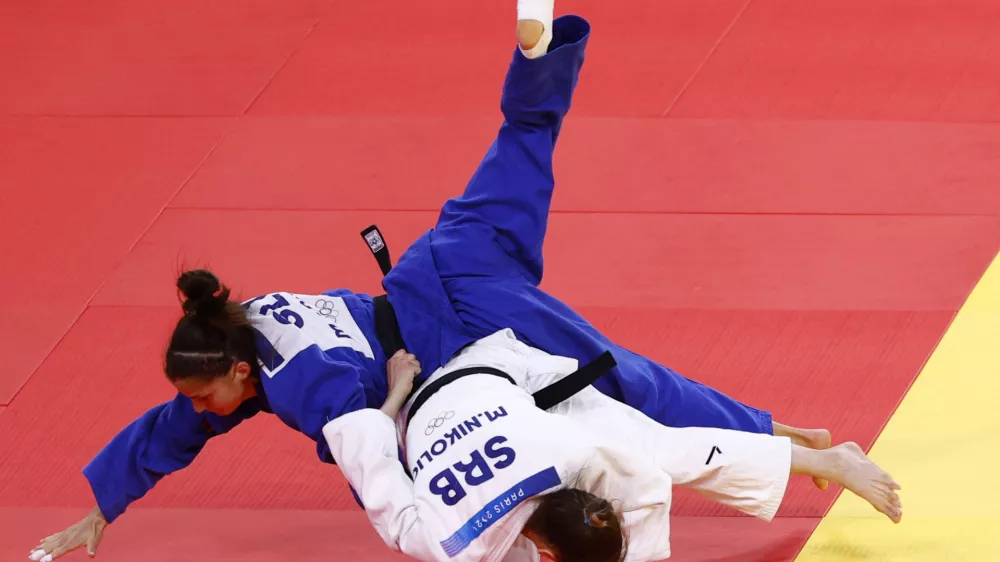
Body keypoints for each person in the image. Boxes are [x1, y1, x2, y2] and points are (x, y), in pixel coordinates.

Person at [30, 5, 829, 561]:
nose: (201, 408)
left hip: (457, 326)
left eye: (207, 395)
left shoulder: (302, 386)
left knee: (617, 388)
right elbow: (178, 423)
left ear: (238, 371)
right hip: (442, 258)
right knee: (523, 143)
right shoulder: (239, 326)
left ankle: (775, 439)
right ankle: (537, 58)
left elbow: (380, 458)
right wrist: (102, 508)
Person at [325, 328, 902, 562]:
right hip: (461, 393)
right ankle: (822, 455)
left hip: (507, 375)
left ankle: (829, 459)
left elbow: (649, 486)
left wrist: (396, 392)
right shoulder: (451, 540)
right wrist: (400, 389)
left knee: (660, 449)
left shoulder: (572, 455)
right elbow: (370, 450)